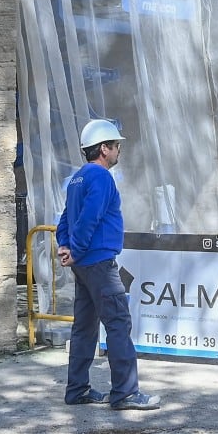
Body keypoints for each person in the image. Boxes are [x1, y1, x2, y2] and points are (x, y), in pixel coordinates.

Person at [56, 118, 158, 411]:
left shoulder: (77, 178)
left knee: (84, 328)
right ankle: (125, 393)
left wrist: (65, 246)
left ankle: (77, 390)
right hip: (99, 262)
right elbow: (90, 217)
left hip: (83, 265)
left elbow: (66, 219)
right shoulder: (101, 177)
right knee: (117, 323)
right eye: (115, 146)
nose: (118, 151)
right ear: (103, 149)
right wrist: (74, 249)